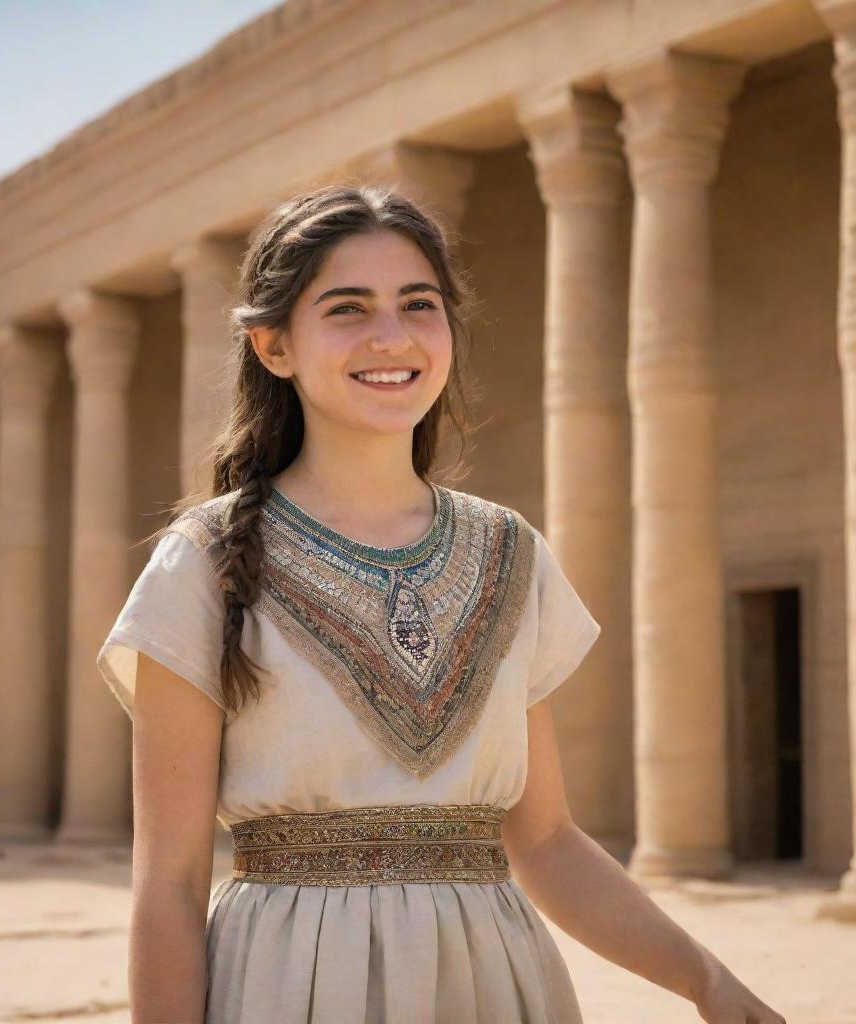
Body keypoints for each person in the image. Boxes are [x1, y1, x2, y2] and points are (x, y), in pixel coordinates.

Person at [96, 183, 786, 1024]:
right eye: (347, 308)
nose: (391, 336)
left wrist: (705, 982)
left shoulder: (510, 553)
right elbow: (168, 884)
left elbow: (545, 842)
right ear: (274, 346)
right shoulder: (201, 562)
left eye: (417, 304)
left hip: (494, 982)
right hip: (288, 989)